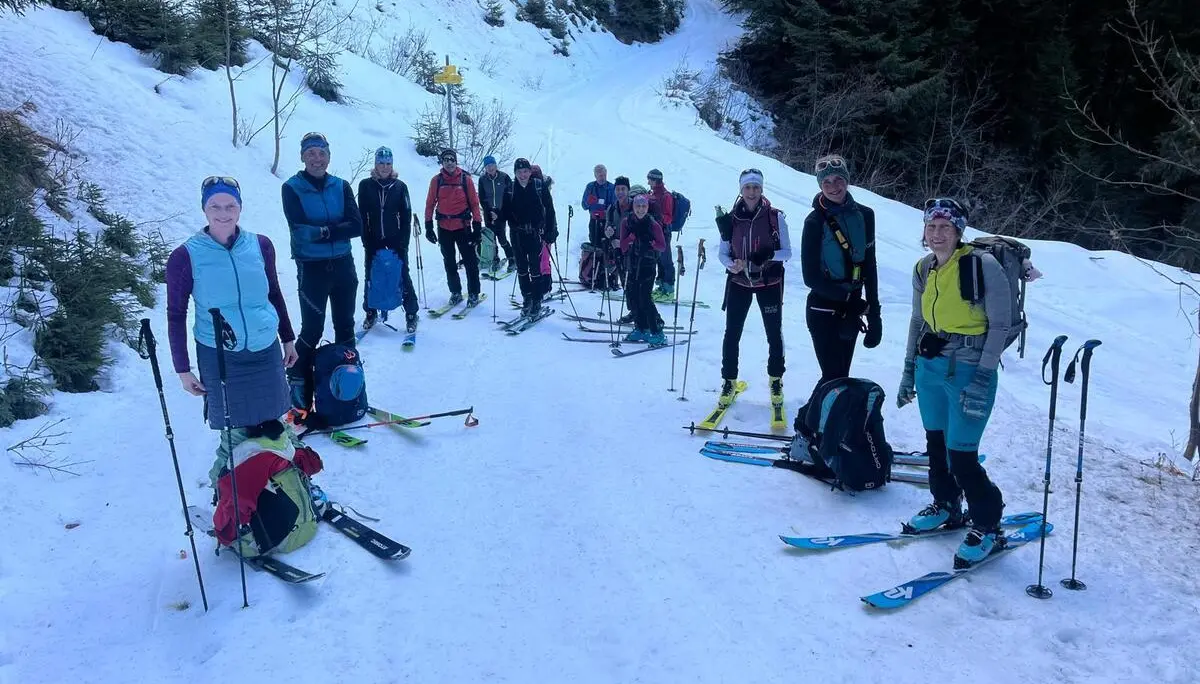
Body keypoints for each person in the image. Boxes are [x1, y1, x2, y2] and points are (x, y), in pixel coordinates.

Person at [897, 198, 1009, 567]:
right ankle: (946, 505)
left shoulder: (982, 265)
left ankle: (988, 524)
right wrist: (909, 369)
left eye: (945, 227)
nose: (937, 233)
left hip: (968, 369)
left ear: (959, 231)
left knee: (962, 455)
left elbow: (999, 326)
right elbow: (918, 321)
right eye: (931, 226)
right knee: (936, 445)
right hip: (930, 365)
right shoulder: (924, 267)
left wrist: (983, 376)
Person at [167, 176, 298, 430]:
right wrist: (182, 369)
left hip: (265, 348)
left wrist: (288, 338)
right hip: (219, 355)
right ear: (204, 208)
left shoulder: (260, 245)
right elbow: (176, 315)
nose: (223, 213)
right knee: (233, 431)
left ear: (240, 208)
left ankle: (279, 455)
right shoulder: (185, 257)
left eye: (230, 206)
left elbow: (273, 293)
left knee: (275, 422)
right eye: (215, 206)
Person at [281, 132, 362, 412]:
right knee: (312, 329)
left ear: (329, 156)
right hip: (312, 268)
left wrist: (323, 232)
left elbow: (356, 226)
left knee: (345, 326)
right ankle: (298, 384)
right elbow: (301, 232)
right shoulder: (292, 188)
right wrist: (336, 230)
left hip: (343, 266)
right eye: (311, 153)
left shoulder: (341, 186)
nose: (317, 158)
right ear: (302, 157)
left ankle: (350, 385)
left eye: (322, 153)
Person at [800, 153, 880, 392]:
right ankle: (812, 416)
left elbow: (869, 265)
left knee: (841, 375)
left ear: (847, 180)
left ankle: (826, 416)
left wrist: (875, 315)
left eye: (838, 179)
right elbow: (810, 277)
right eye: (826, 182)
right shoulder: (814, 221)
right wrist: (848, 300)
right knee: (832, 376)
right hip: (822, 308)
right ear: (820, 186)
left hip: (853, 306)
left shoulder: (865, 215)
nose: (833, 186)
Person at [715, 168, 792, 405]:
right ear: (741, 190)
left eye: (756, 187)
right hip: (739, 282)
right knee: (732, 333)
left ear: (761, 189)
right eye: (747, 187)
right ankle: (729, 381)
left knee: (774, 332)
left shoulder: (775, 217)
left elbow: (787, 252)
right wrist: (732, 265)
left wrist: (766, 256)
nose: (752, 192)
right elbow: (723, 253)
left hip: (769, 282)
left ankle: (776, 379)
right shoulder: (730, 219)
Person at [357, 146, 419, 333]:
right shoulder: (365, 185)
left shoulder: (400, 187)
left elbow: (406, 216)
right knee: (371, 276)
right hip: (373, 240)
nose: (385, 167)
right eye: (381, 163)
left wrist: (403, 242)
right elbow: (362, 215)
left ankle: (411, 313)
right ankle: (370, 311)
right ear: (375, 164)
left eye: (388, 164)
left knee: (402, 274)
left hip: (395, 240)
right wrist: (366, 239)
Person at [423, 148, 484, 306]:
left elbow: (474, 203)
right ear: (442, 163)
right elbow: (430, 203)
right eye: (446, 160)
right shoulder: (436, 181)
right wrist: (428, 225)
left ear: (456, 161)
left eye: (452, 159)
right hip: (444, 228)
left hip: (463, 227)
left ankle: (473, 293)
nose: (449, 163)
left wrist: (477, 225)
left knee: (470, 261)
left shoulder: (465, 179)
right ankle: (455, 292)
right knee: (449, 262)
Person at [502, 158, 557, 317]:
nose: (523, 175)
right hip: (517, 234)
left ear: (530, 172)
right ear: (515, 173)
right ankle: (527, 298)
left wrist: (550, 230)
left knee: (535, 268)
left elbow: (550, 210)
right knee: (521, 268)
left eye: (525, 171)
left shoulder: (539, 186)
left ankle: (537, 299)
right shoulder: (510, 188)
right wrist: (496, 219)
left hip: (535, 233)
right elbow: (504, 211)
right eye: (519, 172)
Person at [619, 192, 668, 346]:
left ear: (647, 207)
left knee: (645, 298)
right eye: (638, 206)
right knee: (633, 297)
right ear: (633, 207)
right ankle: (641, 328)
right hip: (632, 264)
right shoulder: (626, 222)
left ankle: (657, 331)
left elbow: (662, 246)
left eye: (643, 206)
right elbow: (622, 246)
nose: (640, 209)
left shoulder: (653, 224)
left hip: (648, 265)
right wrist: (631, 238)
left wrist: (651, 243)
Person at [477, 154, 515, 272]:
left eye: (492, 165)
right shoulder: (482, 180)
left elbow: (509, 197)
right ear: (485, 168)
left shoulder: (504, 177)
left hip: (501, 213)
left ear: (495, 165)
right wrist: (489, 212)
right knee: (491, 238)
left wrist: (500, 213)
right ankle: (495, 259)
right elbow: (482, 198)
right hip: (488, 213)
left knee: (502, 238)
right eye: (487, 166)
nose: (490, 168)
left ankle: (512, 259)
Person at [645, 168, 675, 297]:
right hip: (655, 232)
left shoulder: (666, 196)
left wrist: (656, 217)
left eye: (650, 180)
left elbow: (669, 217)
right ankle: (662, 286)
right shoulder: (653, 194)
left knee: (666, 260)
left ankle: (669, 290)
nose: (648, 182)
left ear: (655, 180)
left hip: (664, 232)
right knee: (659, 260)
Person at [582, 163, 617, 246]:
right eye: (600, 176)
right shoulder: (590, 187)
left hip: (607, 221)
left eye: (604, 175)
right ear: (595, 176)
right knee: (595, 244)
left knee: (608, 245)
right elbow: (584, 206)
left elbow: (615, 206)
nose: (602, 178)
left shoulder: (612, 188)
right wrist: (588, 202)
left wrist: (607, 212)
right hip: (594, 221)